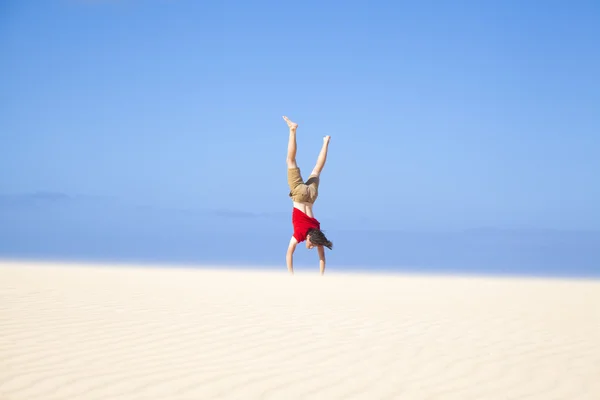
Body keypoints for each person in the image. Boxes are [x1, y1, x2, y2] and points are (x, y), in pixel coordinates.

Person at [283, 115, 333, 275]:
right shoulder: (299, 235)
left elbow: (322, 257)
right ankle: (293, 130)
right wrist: (291, 275)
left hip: (311, 196)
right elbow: (289, 253)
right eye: (312, 245)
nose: (310, 247)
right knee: (290, 161)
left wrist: (321, 275)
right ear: (311, 239)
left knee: (317, 169)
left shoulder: (316, 230)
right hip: (299, 195)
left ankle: (326, 142)